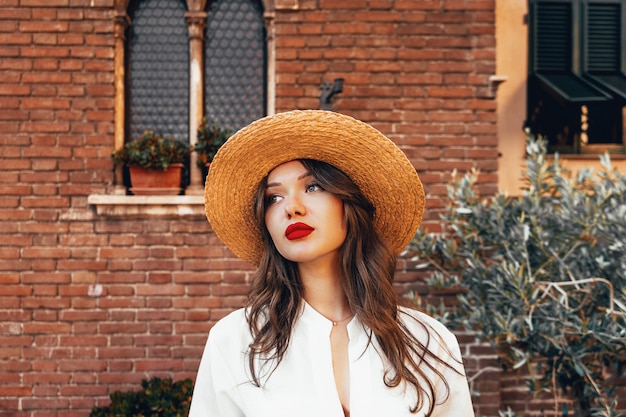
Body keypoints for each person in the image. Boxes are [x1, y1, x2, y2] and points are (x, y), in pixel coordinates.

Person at [189, 110, 475, 417]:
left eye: (312, 187)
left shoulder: (428, 341)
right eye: (274, 197)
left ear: (349, 203)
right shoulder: (235, 341)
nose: (291, 208)